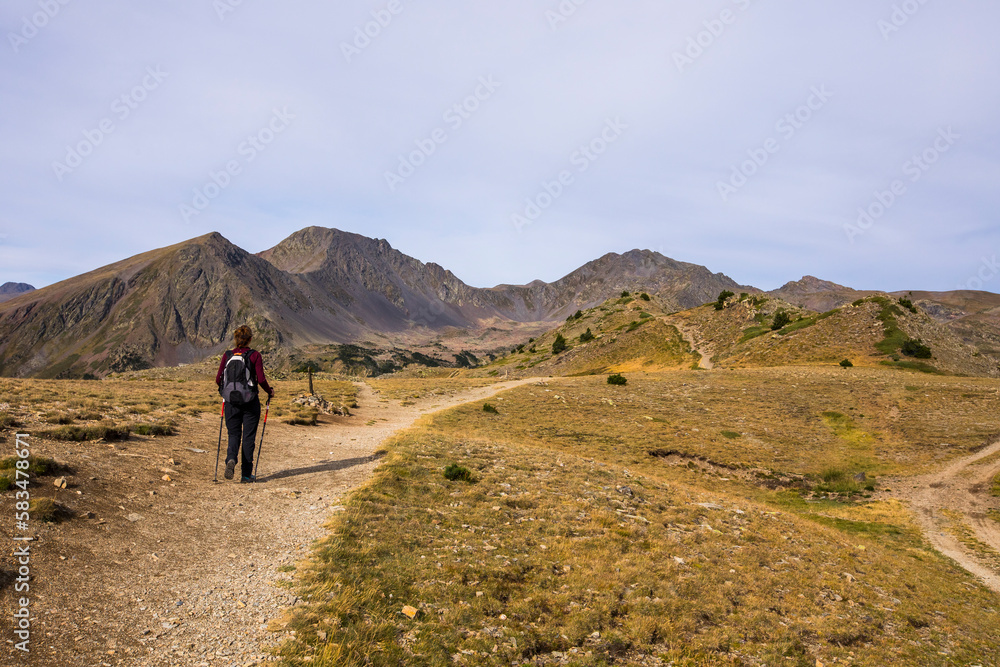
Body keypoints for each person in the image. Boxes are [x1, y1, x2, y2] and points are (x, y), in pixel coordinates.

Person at [215, 325, 274, 483]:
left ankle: (230, 459)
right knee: (248, 437)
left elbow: (218, 379)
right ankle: (246, 475)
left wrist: (225, 392)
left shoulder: (227, 355)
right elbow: (260, 379)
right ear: (250, 339)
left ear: (235, 339)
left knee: (233, 434)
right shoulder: (254, 355)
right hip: (250, 401)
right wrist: (270, 391)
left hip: (230, 401)